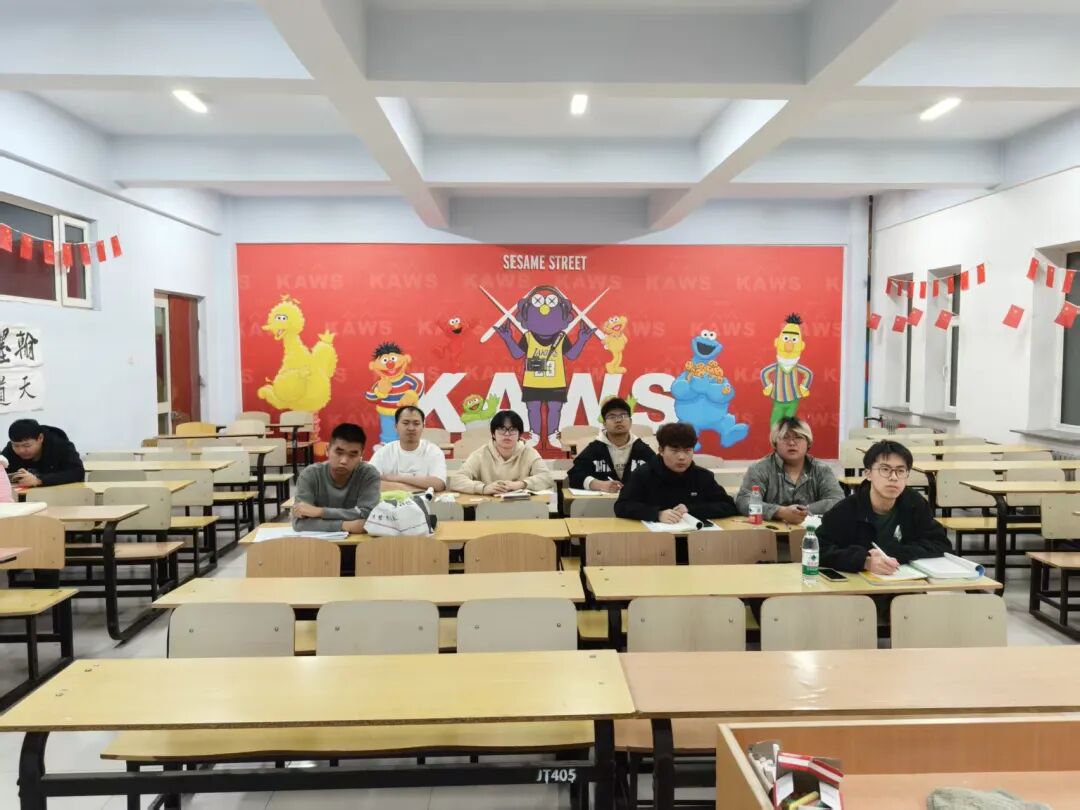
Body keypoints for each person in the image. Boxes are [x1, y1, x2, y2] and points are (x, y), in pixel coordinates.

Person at [818, 439, 951, 573]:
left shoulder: (914, 503)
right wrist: (864, 561)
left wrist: (893, 553)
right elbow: (817, 549)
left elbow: (941, 544)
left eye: (900, 471)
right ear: (868, 474)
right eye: (885, 469)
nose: (893, 477)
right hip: (860, 581)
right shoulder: (847, 509)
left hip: (904, 578)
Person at [615, 422, 737, 523]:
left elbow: (728, 506)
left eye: (687, 450)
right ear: (661, 450)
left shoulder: (702, 476)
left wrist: (690, 509)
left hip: (695, 537)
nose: (682, 457)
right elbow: (622, 506)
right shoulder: (643, 474)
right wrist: (657, 514)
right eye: (675, 450)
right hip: (654, 538)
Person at [735, 417, 843, 524]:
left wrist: (802, 511)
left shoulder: (821, 470)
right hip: (770, 532)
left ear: (808, 442)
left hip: (812, 531)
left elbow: (837, 500)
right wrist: (780, 512)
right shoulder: (759, 469)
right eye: (785, 438)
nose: (791, 443)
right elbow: (744, 501)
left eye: (798, 437)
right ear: (775, 443)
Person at [292, 423, 380, 533]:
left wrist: (320, 512)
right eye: (339, 453)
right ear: (327, 450)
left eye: (352, 455)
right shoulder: (310, 475)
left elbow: (369, 515)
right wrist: (344, 525)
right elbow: (299, 523)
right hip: (317, 542)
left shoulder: (368, 474)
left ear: (361, 455)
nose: (344, 461)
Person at [448, 410, 554, 495]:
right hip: (488, 508)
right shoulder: (480, 454)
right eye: (502, 429)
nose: (507, 434)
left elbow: (547, 478)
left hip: (521, 507)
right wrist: (484, 488)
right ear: (493, 434)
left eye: (512, 429)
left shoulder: (529, 453)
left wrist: (521, 484)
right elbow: (456, 481)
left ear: (519, 434)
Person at [567, 398, 656, 493]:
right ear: (604, 424)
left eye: (623, 415)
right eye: (612, 416)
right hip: (602, 501)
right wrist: (599, 484)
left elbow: (658, 474)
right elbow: (574, 476)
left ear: (630, 422)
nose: (618, 420)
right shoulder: (595, 448)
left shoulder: (641, 448)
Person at [368, 406, 447, 492]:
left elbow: (439, 484)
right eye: (405, 423)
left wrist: (394, 478)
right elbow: (368, 482)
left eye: (416, 424)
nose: (411, 428)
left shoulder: (433, 451)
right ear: (396, 426)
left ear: (423, 427)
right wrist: (413, 488)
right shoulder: (384, 452)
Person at [2, 419, 84, 488]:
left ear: (40, 438)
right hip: (23, 497)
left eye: (26, 445)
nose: (21, 450)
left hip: (59, 494)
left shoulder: (60, 445)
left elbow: (77, 472)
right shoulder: (11, 448)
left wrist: (39, 480)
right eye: (16, 446)